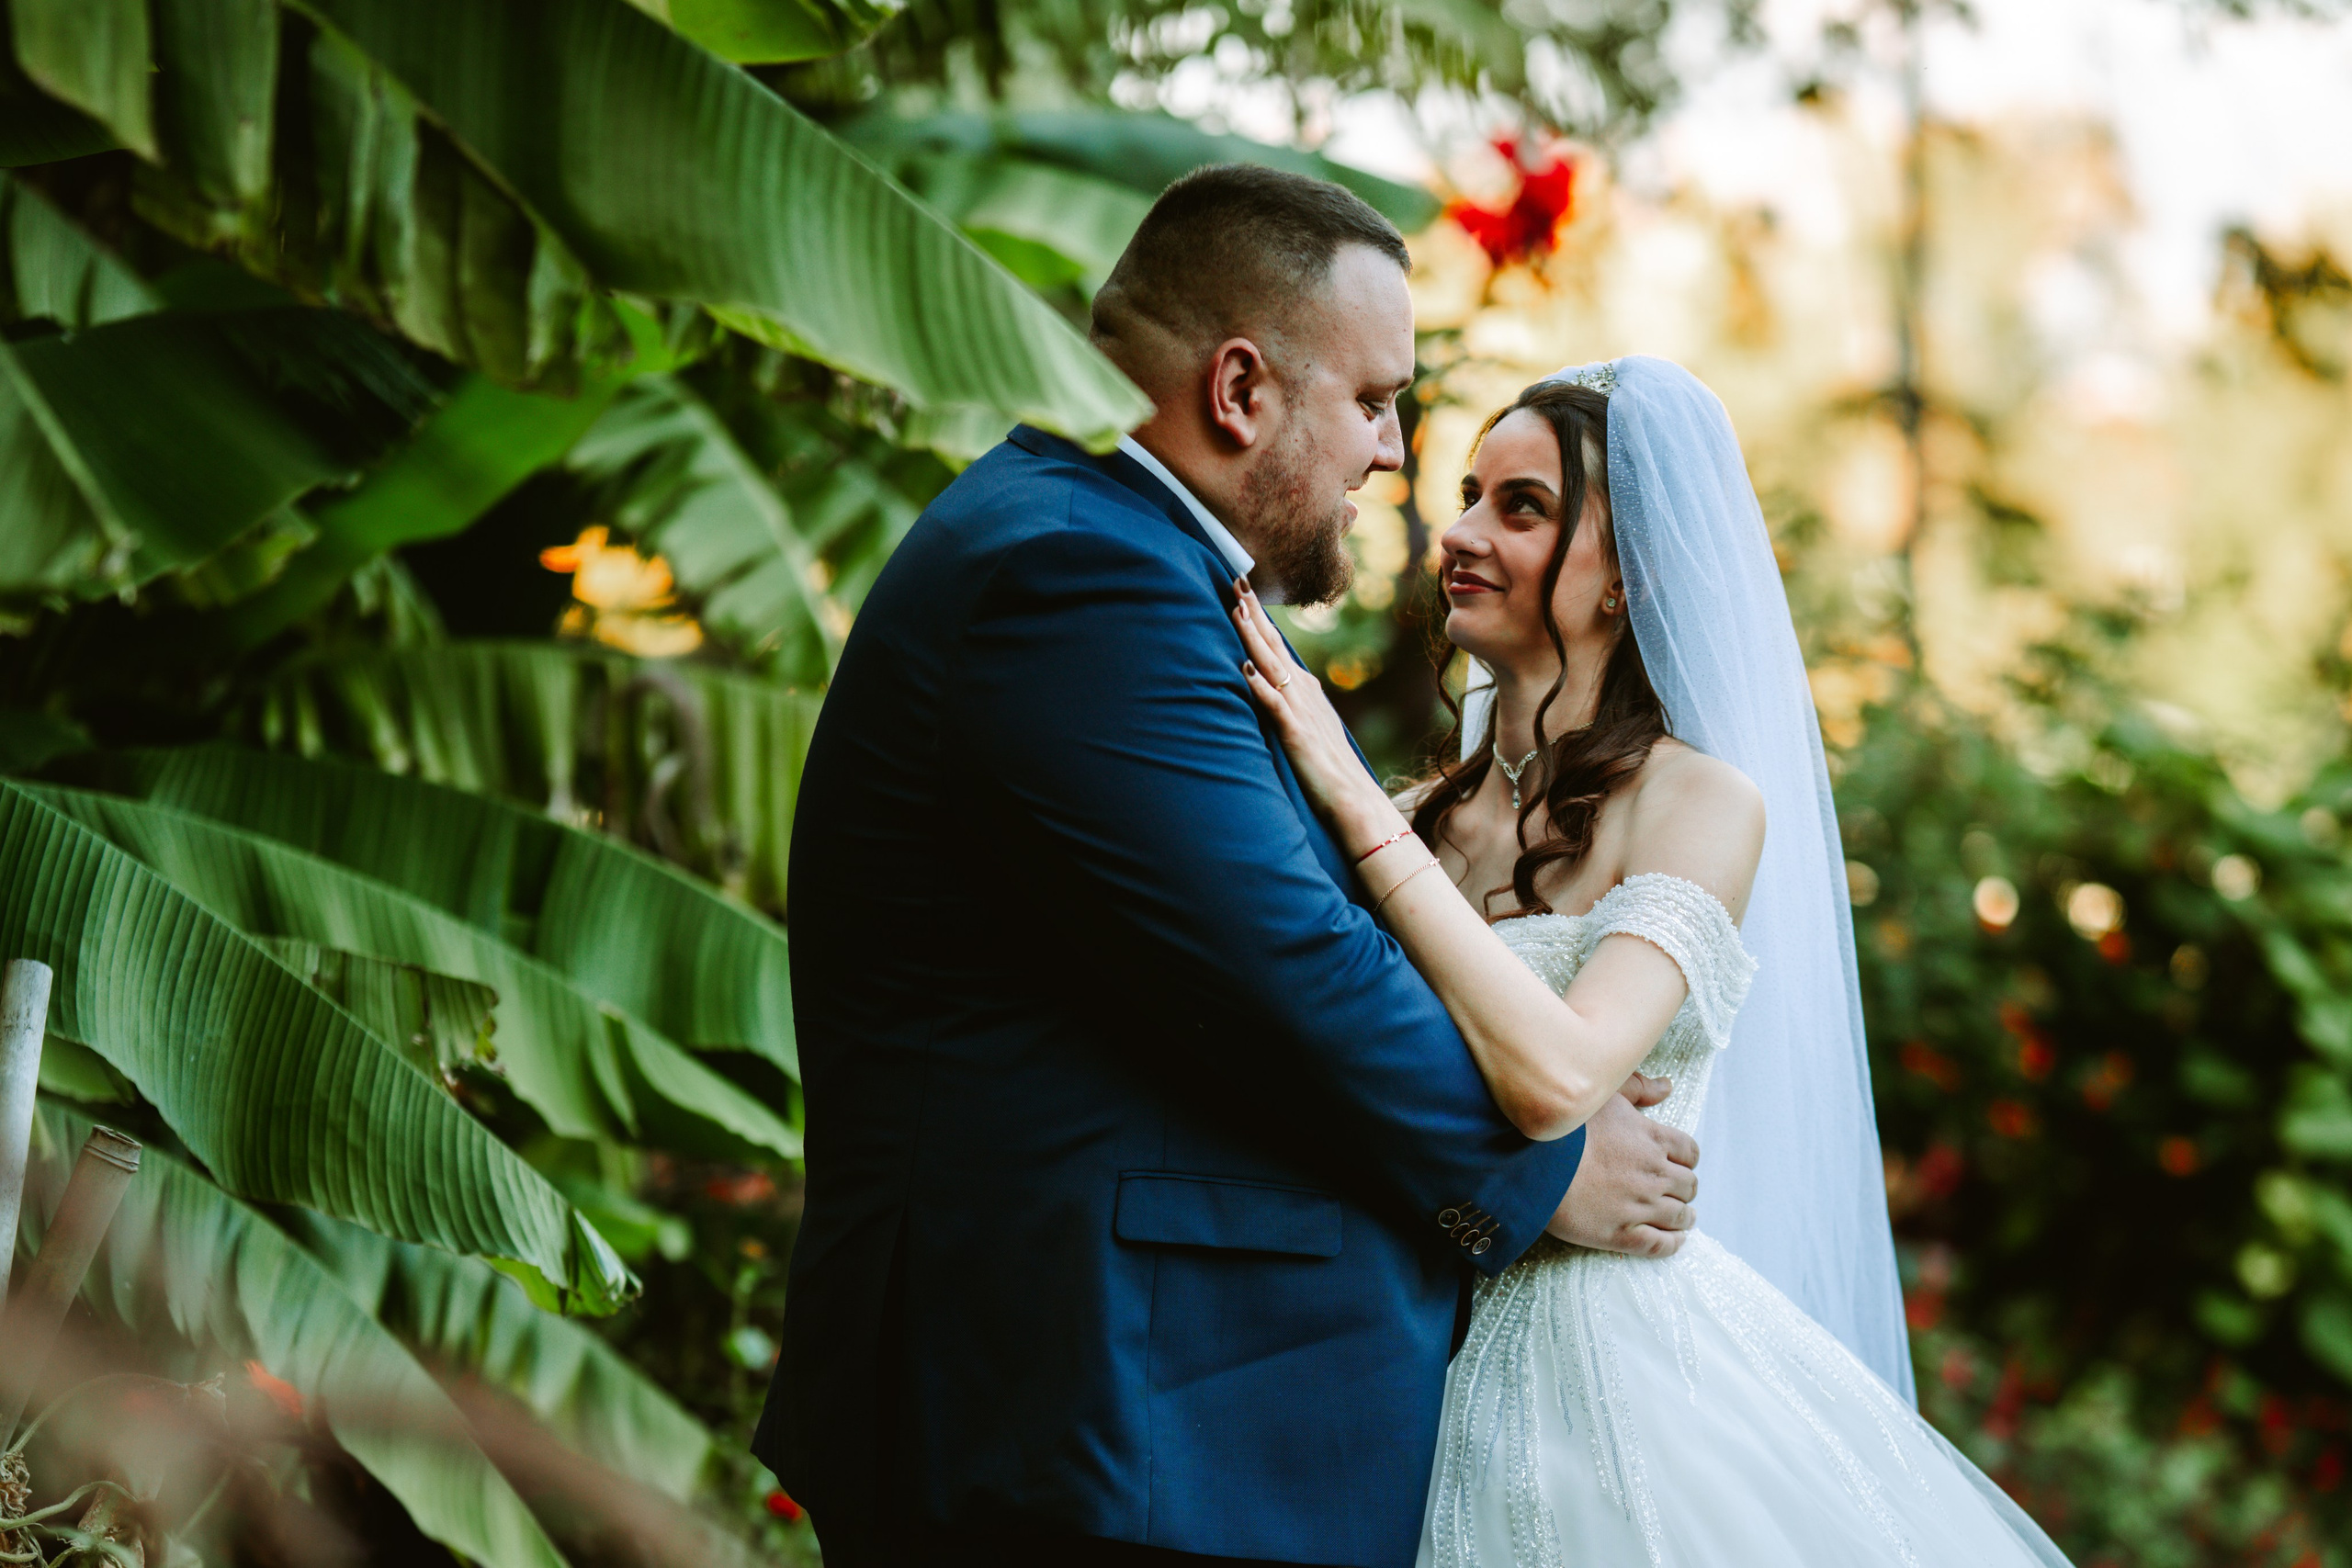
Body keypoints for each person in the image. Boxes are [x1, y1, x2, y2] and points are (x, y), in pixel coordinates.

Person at [752, 169, 1704, 1566]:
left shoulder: (1120, 561)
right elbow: (1294, 966)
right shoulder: (1078, 579)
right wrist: (1544, 1169)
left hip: (1148, 1417)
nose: (1393, 455)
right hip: (1101, 1421)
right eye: (1376, 401)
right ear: (1241, 389)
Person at [1235, 357, 2075, 1567]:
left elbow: (1563, 1075)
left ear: (1626, 579)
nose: (1461, 533)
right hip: (1400, 1358)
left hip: (1616, 1380)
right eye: (1469, 492)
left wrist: (1353, 806)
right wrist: (1376, 814)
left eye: (1521, 507)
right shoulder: (1415, 822)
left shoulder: (1697, 803)